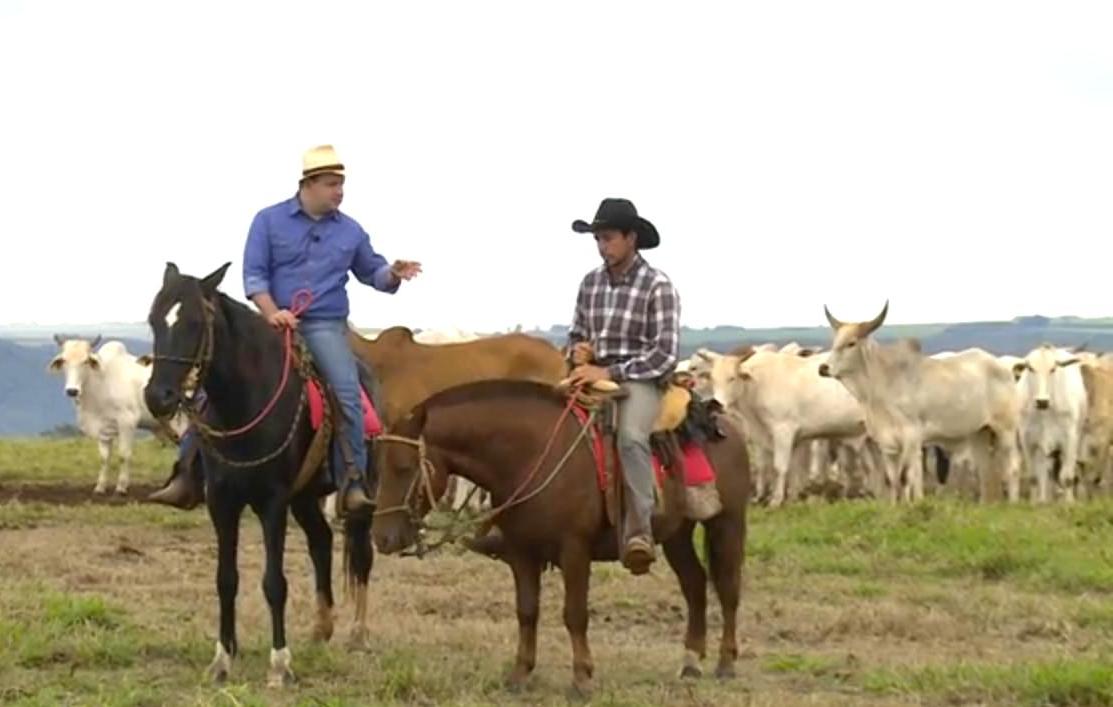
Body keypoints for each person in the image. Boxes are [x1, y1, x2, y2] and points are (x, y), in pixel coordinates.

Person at [149, 144, 421, 514]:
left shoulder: (351, 231)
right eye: (331, 184)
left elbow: (371, 271)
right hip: (269, 322)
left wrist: (392, 273)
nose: (339, 191)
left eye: (341, 184)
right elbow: (255, 274)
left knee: (347, 392)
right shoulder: (268, 221)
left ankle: (352, 482)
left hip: (325, 325)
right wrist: (272, 311)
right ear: (308, 184)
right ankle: (185, 476)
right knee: (211, 389)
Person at [566, 197, 681, 575]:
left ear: (632, 238)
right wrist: (578, 352)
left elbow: (664, 354)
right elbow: (577, 333)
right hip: (592, 375)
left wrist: (610, 373)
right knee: (544, 418)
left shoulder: (658, 286)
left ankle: (639, 531)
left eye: (609, 237)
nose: (602, 246)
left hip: (641, 381)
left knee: (631, 436)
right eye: (597, 239)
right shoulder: (590, 283)